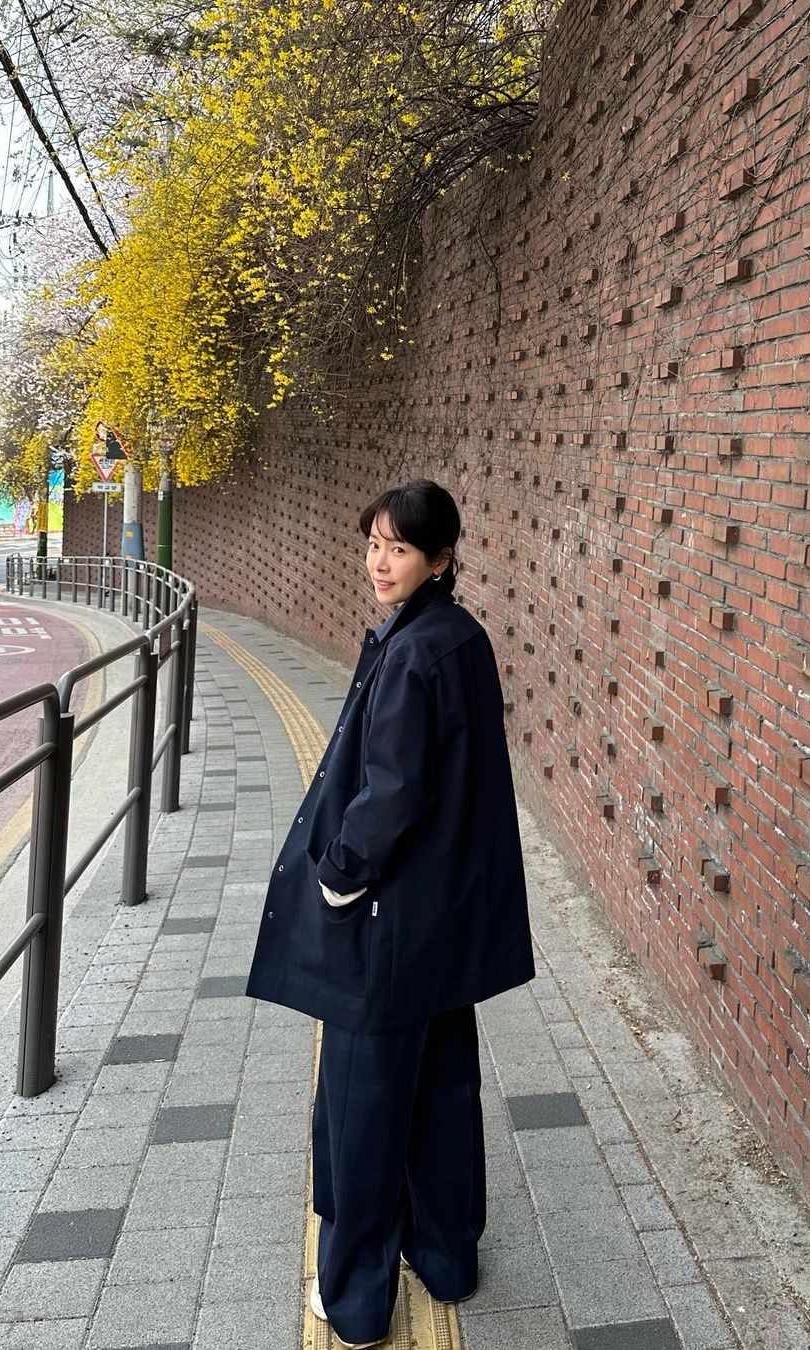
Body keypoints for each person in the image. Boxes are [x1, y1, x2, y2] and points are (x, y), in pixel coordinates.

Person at [246, 478, 535, 1349]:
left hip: (387, 924)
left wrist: (339, 875)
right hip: (445, 925)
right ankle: (447, 1260)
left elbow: (392, 791)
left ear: (440, 558)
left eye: (399, 549)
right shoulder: (461, 638)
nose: (379, 562)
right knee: (443, 1096)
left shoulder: (412, 653)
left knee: (361, 1112)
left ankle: (357, 1302)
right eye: (373, 544)